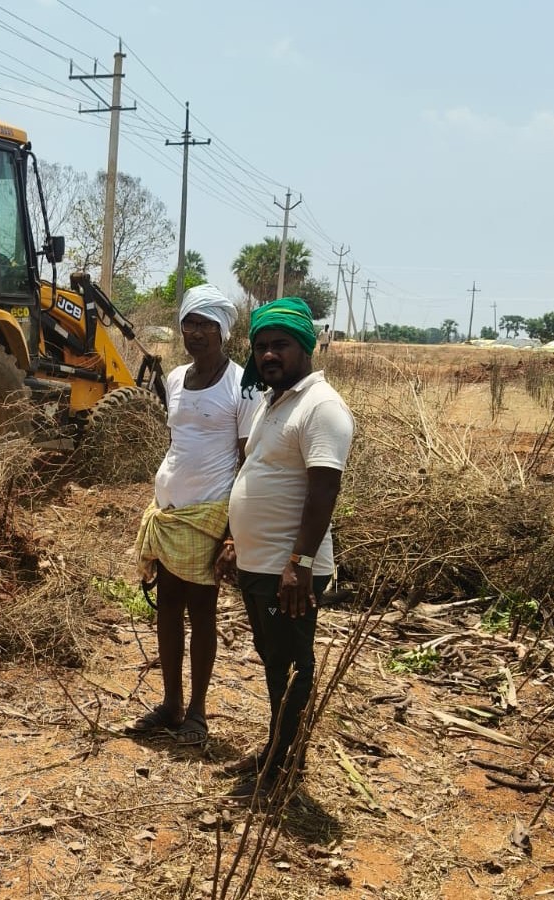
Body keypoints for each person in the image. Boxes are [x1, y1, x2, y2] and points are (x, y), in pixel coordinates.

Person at [216, 297, 354, 789]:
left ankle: (284, 768)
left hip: (289, 569)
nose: (269, 355)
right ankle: (276, 750)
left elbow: (324, 490)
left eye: (281, 345)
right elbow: (258, 474)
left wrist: (298, 562)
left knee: (293, 666)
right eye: (260, 347)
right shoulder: (274, 403)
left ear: (305, 347)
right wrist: (235, 538)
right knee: (275, 662)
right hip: (262, 562)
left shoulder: (323, 407)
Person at [131, 284, 261, 745]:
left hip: (210, 515)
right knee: (167, 608)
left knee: (202, 612)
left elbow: (246, 462)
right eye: (190, 323)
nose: (197, 332)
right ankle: (170, 702)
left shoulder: (243, 385)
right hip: (169, 512)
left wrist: (232, 534)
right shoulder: (176, 380)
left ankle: (197, 713)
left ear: (223, 330)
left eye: (207, 324)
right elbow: (178, 444)